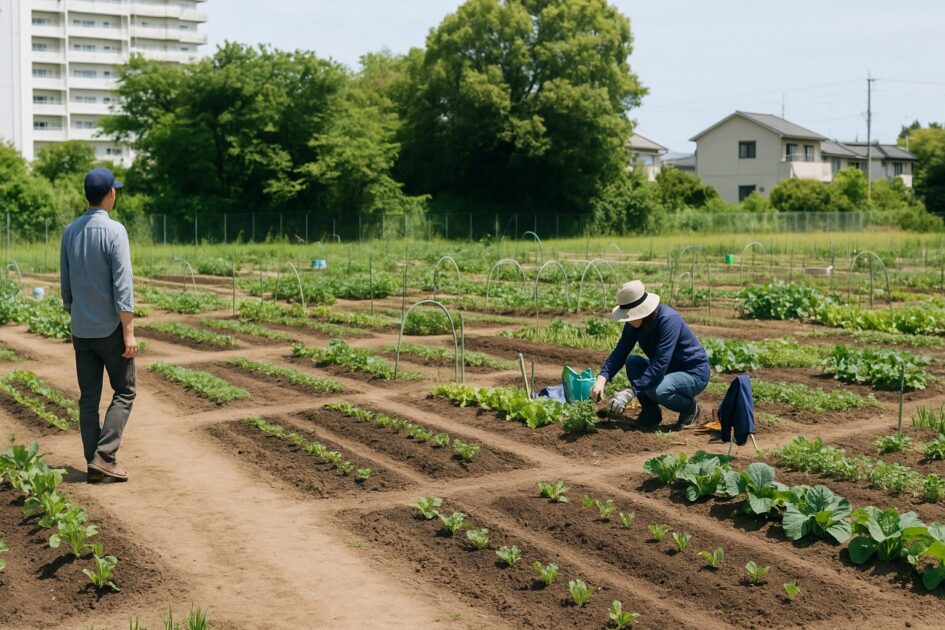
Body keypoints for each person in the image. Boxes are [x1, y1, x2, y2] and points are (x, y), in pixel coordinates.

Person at [60, 167, 138, 482]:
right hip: (110, 330)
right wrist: (129, 332)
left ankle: (95, 463)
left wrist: (76, 313)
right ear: (110, 194)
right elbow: (123, 286)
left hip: (81, 330)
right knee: (126, 390)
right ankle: (105, 455)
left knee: (88, 397)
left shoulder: (70, 231)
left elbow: (66, 287)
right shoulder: (115, 231)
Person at [589, 280, 710, 428]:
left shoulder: (669, 320)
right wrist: (602, 378)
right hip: (667, 371)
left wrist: (630, 392)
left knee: (657, 390)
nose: (627, 319)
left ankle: (690, 409)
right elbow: (621, 351)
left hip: (693, 372)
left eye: (628, 315)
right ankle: (650, 413)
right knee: (633, 362)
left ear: (641, 310)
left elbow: (660, 364)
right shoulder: (634, 323)